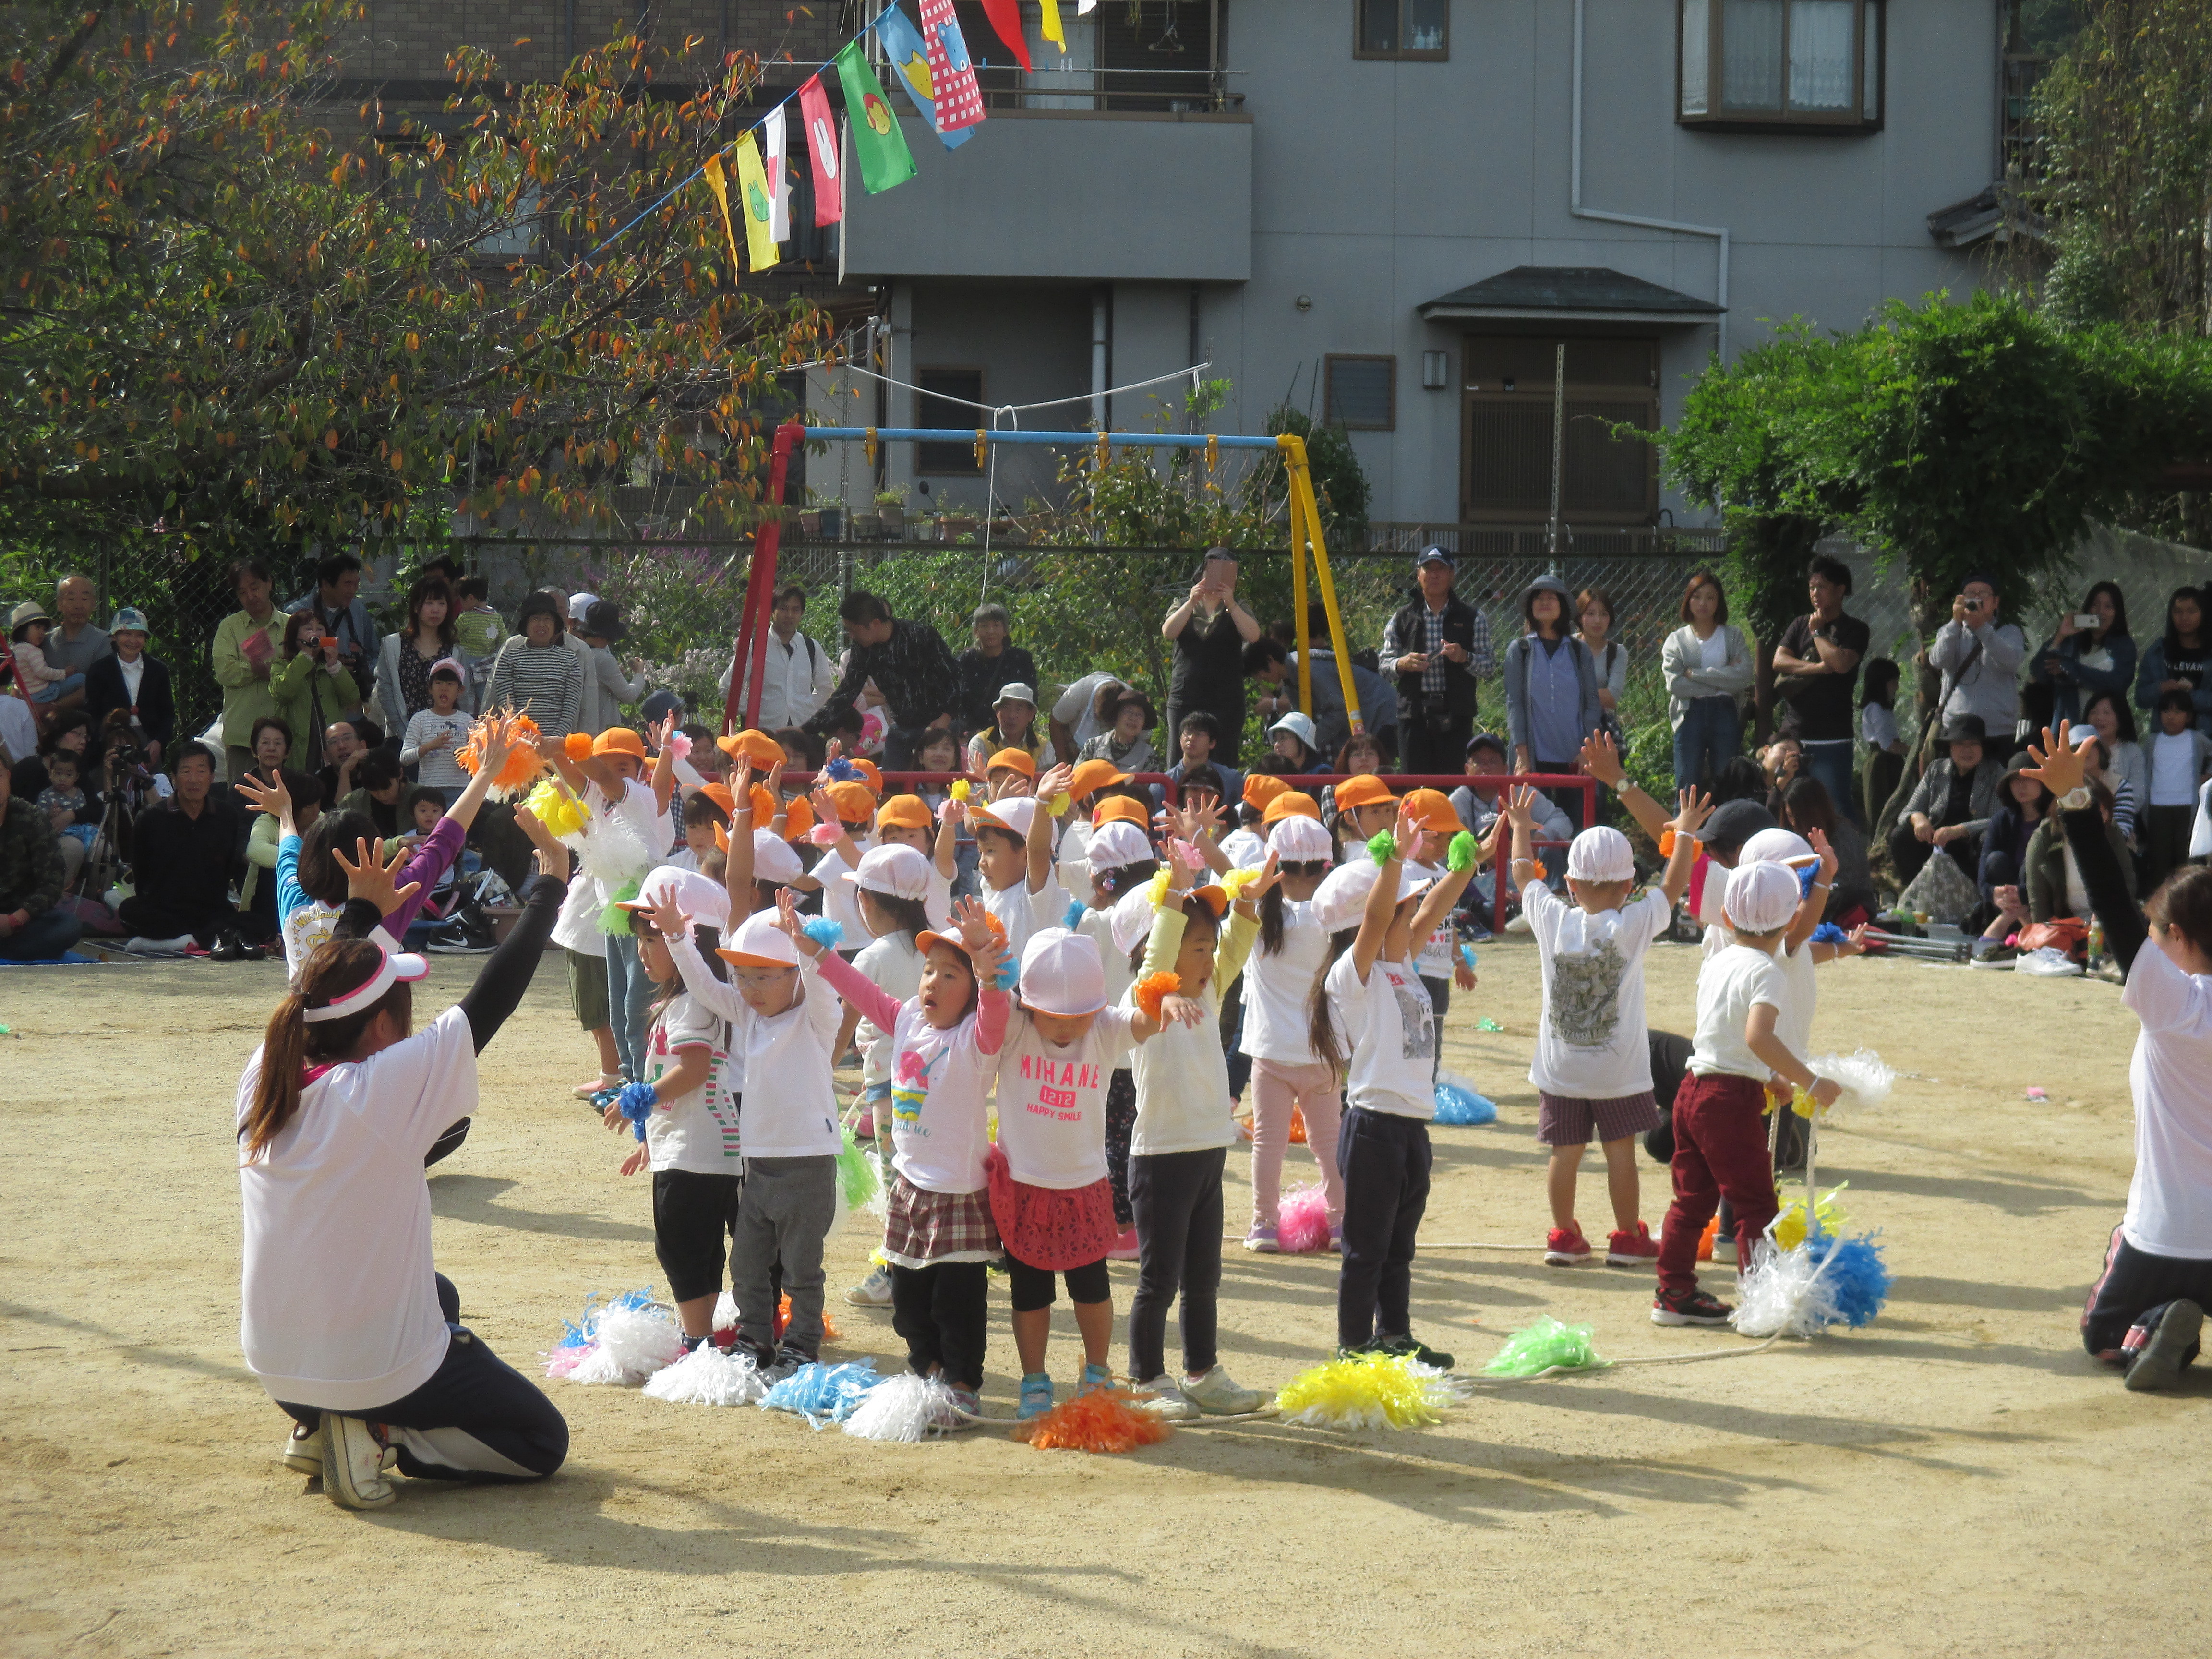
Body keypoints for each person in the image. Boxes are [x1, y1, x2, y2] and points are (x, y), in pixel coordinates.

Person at [238, 848, 569, 1511]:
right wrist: (548, 891)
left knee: (436, 1293)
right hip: (365, 1373)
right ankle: (378, 1434)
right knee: (540, 1441)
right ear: (383, 1025)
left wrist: (362, 913)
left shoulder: (265, 1073)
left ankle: (316, 1428)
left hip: (280, 1370)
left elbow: (321, 990)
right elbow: (491, 1000)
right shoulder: (379, 1088)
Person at [2018, 726, 2212, 1391]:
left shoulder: (2174, 1003)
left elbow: (2108, 899)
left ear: (2179, 938)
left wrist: (2073, 800)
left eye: (2161, 934)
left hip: (2164, 1238)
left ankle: (2155, 1328)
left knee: (2102, 1338)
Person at [809, 898, 1012, 1422]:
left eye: (951, 975)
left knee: (958, 1303)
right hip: (909, 1186)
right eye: (928, 971)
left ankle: (963, 1383)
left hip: (959, 1192)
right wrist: (817, 954)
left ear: (971, 993)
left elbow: (995, 1013)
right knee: (909, 1300)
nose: (933, 984)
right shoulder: (905, 1022)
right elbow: (863, 992)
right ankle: (926, 1375)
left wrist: (987, 968)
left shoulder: (977, 1038)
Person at [987, 926, 1182, 1419]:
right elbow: (990, 1004)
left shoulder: (1104, 1029)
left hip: (1084, 1188)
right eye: (1053, 1015)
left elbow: (1141, 1022)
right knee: (1030, 1293)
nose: (1065, 1028)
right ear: (1029, 1004)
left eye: (1077, 1016)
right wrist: (983, 961)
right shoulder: (1014, 1026)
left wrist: (1163, 1005)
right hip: (1026, 1186)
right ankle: (1034, 1380)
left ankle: (1097, 1373)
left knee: (1092, 1287)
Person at [1511, 787, 1707, 1269]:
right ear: (1629, 884)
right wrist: (1682, 831)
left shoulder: (1552, 917)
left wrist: (1519, 827)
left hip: (1561, 1066)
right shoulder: (1636, 921)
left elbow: (1522, 875)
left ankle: (1563, 1235)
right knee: (1621, 1152)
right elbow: (1675, 884)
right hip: (1619, 1068)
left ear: (1571, 883)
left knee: (1565, 1152)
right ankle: (1626, 1238)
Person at [655, 885, 843, 1379]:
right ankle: (754, 1336)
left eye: (764, 977)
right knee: (748, 1262)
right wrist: (678, 936)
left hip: (807, 1164)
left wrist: (806, 950)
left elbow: (822, 989)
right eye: (743, 978)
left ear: (793, 977)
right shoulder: (748, 1017)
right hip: (756, 1164)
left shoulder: (816, 1020)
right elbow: (705, 986)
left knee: (802, 1268)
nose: (751, 989)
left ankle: (803, 1341)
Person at [1314, 801, 1477, 1366]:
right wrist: (1390, 863)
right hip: (1374, 1128)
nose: (1414, 922)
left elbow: (1433, 908)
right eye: (1401, 913)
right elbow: (1382, 915)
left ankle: (1394, 1334)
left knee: (1399, 1246)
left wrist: (1467, 861)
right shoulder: (1356, 973)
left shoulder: (1404, 964)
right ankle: (1355, 1345)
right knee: (1366, 1250)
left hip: (1411, 1126)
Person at [1650, 860, 1842, 1328]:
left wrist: (1767, 1079)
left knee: (1691, 1200)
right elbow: (1758, 1037)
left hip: (1693, 1089)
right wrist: (1809, 1081)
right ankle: (1761, 1303)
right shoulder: (1770, 972)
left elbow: (1725, 1036)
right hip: (1727, 1102)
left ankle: (1672, 1293)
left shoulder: (1719, 961)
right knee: (1757, 1204)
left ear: (1727, 917)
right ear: (1794, 920)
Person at [1124, 847, 1273, 1420]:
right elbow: (1157, 961)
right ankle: (1145, 1377)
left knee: (1204, 1276)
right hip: (1162, 1159)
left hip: (1207, 1153)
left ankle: (1202, 1371)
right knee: (1158, 1278)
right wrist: (1174, 893)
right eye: (1195, 947)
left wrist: (1250, 902)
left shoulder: (1208, 994)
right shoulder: (1147, 1001)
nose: (1209, 959)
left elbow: (1237, 944)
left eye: (1209, 948)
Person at [1771, 556, 1873, 826]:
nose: (1815, 593)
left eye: (1823, 587)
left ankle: (1850, 861)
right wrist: (1816, 668)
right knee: (1792, 803)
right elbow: (1779, 661)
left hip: (1832, 737)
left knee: (1835, 804)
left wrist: (1818, 634)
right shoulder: (1798, 624)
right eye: (1812, 587)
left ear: (1841, 590)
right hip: (1796, 732)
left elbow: (1840, 664)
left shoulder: (1855, 629)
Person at [117, 742, 247, 953]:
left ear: (212, 777)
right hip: (165, 909)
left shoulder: (226, 816)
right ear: (174, 778)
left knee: (251, 921)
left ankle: (172, 942)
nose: (194, 780)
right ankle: (195, 939)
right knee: (128, 911)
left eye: (201, 771)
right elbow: (142, 877)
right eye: (186, 772)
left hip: (210, 909)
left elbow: (230, 869)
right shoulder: (151, 818)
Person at [806, 591, 959, 770]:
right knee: (889, 785)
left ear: (875, 624)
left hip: (937, 728)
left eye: (854, 631)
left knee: (940, 785)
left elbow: (955, 677)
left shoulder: (920, 635)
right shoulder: (863, 649)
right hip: (901, 727)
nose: (852, 637)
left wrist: (946, 716)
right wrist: (808, 729)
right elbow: (847, 692)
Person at [1503, 575, 1602, 835]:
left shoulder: (1580, 651)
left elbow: (1592, 704)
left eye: (1551, 597)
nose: (1544, 602)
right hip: (1534, 759)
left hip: (1575, 758)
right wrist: (1522, 757)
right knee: (1536, 833)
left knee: (1579, 831)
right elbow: (1515, 705)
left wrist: (1587, 751)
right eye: (1538, 597)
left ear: (1563, 606)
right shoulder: (1520, 650)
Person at [1382, 549, 1492, 776]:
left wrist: (1465, 658)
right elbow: (1384, 666)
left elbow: (1489, 667)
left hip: (1456, 717)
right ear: (1418, 575)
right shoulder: (1402, 617)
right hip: (1413, 715)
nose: (1434, 575)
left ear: (1452, 574)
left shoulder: (1472, 617)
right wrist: (1402, 663)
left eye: (1440, 569)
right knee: (1415, 788)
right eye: (1428, 569)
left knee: (1454, 788)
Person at [1162, 549, 1262, 768]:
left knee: (1224, 760)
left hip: (1226, 699)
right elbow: (1168, 633)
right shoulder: (1183, 603)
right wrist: (1191, 602)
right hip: (1185, 695)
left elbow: (1253, 635)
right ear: (1202, 573)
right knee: (1179, 759)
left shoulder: (1237, 607)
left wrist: (1231, 603)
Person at [1661, 568, 1754, 794]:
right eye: (1697, 597)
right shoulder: (1677, 639)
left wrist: (1697, 674)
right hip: (1689, 712)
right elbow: (1675, 684)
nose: (1704, 603)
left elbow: (1744, 676)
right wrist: (1723, 678)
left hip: (1724, 711)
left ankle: (1726, 825)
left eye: (1711, 597)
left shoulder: (1732, 636)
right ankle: (1683, 829)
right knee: (1687, 783)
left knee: (1727, 780)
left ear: (1719, 602)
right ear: (1688, 600)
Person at [1888, 714, 2005, 887]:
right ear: (1950, 747)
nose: (1967, 750)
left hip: (1970, 848)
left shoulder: (1995, 773)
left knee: (1987, 839)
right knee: (1900, 835)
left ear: (1982, 747)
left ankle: (1981, 897)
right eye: (1959, 744)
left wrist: (1960, 830)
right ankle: (1914, 892)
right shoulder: (1937, 769)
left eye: (1973, 744)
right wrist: (1919, 820)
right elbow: (1907, 812)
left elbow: (1999, 821)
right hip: (1937, 846)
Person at [1930, 572, 2026, 757]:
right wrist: (1955, 623)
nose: (1976, 598)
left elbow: (2011, 662)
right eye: (1970, 593)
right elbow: (1937, 660)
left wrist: (1982, 628)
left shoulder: (2009, 632)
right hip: (1957, 732)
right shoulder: (1950, 631)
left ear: (1996, 603)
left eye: (1983, 594)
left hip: (1997, 732)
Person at [0, 760, 83, 960]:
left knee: (68, 926)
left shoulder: (32, 817)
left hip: (19, 916)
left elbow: (52, 883)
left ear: (8, 777)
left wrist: (16, 920)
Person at [214, 559, 287, 784]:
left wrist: (271, 672)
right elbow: (224, 673)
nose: (250, 597)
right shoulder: (229, 627)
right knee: (242, 805)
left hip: (285, 738)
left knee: (287, 805)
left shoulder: (291, 626)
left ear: (269, 584)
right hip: (242, 738)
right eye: (242, 592)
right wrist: (255, 669)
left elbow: (301, 672)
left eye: (255, 588)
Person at [2029, 580, 2135, 732]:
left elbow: (2117, 684)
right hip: (2070, 729)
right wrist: (2060, 636)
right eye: (2095, 605)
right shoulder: (2072, 640)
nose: (2100, 612)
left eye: (2108, 607)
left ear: (2117, 613)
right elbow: (2038, 673)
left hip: (2107, 732)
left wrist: (2070, 669)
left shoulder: (2124, 645)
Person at [486, 592, 586, 740]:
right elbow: (507, 706)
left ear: (555, 625)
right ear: (526, 624)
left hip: (556, 743)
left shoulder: (570, 661)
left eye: (548, 619)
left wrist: (552, 741)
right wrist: (524, 737)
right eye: (536, 619)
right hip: (518, 742)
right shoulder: (509, 659)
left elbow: (571, 708)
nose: (542, 625)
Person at [372, 576, 458, 747]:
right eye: (429, 603)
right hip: (400, 737)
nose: (436, 610)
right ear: (416, 607)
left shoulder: (455, 651)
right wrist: (405, 735)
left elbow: (464, 696)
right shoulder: (393, 645)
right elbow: (385, 689)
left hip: (444, 740)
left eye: (442, 604)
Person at [2140, 690, 2212, 892]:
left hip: (2187, 807)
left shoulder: (2197, 739)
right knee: (2159, 862)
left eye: (2178, 712)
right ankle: (2158, 911)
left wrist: (2206, 778)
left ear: (2188, 716)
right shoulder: (2152, 741)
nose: (2171, 717)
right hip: (2157, 807)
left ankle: (2188, 905)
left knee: (2186, 860)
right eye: (2166, 711)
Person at [271, 612, 361, 770]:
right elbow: (282, 692)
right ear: (294, 635)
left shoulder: (331, 666)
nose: (315, 634)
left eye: (320, 629)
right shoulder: (281, 666)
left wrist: (334, 666)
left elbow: (351, 697)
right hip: (300, 752)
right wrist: (305, 656)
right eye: (308, 629)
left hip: (332, 750)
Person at [83, 608, 173, 762]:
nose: (133, 641)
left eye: (139, 635)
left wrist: (159, 741)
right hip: (111, 739)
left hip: (148, 740)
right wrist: (105, 738)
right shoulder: (99, 670)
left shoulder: (158, 670)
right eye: (127, 634)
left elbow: (167, 712)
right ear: (114, 637)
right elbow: (93, 713)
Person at [1779, 776, 1874, 921]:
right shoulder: (1793, 835)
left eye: (1799, 817)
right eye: (1790, 816)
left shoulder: (1842, 836)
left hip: (1846, 908)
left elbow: (1841, 886)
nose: (1794, 823)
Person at [285, 551, 380, 690]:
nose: (353, 590)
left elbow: (375, 654)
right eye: (348, 584)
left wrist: (363, 670)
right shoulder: (296, 614)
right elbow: (287, 662)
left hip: (351, 698)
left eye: (356, 584)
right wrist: (332, 666)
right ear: (326, 584)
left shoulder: (358, 610)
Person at [951, 601, 1037, 739]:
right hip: (973, 734)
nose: (991, 631)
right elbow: (957, 703)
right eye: (985, 626)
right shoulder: (965, 662)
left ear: (1005, 631)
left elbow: (1031, 701)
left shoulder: (1021, 660)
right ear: (976, 631)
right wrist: (973, 732)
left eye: (996, 626)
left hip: (1013, 734)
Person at [398, 660, 476, 805]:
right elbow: (404, 757)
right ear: (430, 689)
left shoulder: (468, 720)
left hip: (461, 790)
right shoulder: (420, 719)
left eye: (450, 684)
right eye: (439, 683)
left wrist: (467, 757)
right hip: (428, 791)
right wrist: (430, 746)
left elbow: (480, 757)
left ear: (461, 690)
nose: (444, 689)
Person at [2133, 586, 2209, 736]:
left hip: (2205, 738)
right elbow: (2140, 699)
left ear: (2204, 614)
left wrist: (2187, 696)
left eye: (2191, 611)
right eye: (2178, 612)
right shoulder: (2158, 652)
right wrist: (2161, 688)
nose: (2184, 617)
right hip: (2164, 738)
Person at [2081, 690, 2149, 843]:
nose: (2099, 718)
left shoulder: (2133, 752)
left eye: (2107, 713)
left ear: (2120, 718)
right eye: (2094, 712)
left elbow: (2137, 798)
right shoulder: (2077, 750)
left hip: (2121, 829)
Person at [575, 600, 646, 735]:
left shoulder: (578, 651)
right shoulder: (603, 659)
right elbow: (629, 696)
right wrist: (639, 673)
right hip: (601, 731)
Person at [8, 602, 85, 709]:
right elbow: (42, 672)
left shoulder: (14, 649)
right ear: (23, 629)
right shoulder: (32, 651)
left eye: (44, 629)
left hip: (25, 695)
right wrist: (64, 673)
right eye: (38, 627)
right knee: (81, 679)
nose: (42, 633)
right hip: (42, 694)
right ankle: (54, 708)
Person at [1859, 657, 1906, 830]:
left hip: (1890, 761)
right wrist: (1913, 750)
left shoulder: (1884, 709)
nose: (1897, 686)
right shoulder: (1875, 709)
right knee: (1882, 806)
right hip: (1882, 763)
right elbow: (1887, 744)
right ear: (1882, 683)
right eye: (1894, 681)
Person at [965, 683, 1046, 776]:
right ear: (997, 713)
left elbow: (1046, 783)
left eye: (1019, 709)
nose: (1012, 716)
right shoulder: (981, 742)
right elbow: (979, 785)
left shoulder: (1044, 746)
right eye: (1007, 708)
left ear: (1030, 715)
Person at [1049, 668, 1128, 765]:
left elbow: (1145, 735)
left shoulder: (1133, 701)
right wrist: (1063, 762)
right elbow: (1056, 722)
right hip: (1072, 750)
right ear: (1095, 701)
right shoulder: (1077, 693)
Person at [1077, 685, 1161, 775]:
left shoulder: (1149, 756)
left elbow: (1152, 789)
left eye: (1139, 715)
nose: (1133, 718)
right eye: (1128, 712)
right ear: (1116, 715)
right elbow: (1076, 780)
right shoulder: (1093, 747)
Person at [44, 574, 109, 678]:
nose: (78, 606)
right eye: (71, 599)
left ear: (94, 603)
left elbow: (98, 686)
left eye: (84, 599)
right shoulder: (45, 641)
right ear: (59, 604)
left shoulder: (104, 642)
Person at [1265, 710, 1328, 774]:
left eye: (1283, 738)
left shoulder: (1322, 773)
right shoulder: (1273, 774)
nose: (1277, 745)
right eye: (1275, 741)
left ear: (1302, 741)